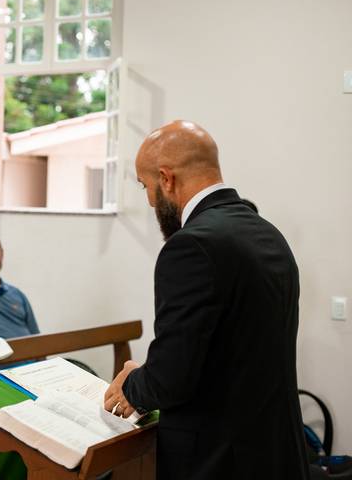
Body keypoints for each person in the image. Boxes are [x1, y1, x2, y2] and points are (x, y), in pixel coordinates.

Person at [104, 121, 309, 479]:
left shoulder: (191, 245)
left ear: (166, 179)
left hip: (220, 461)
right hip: (276, 452)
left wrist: (132, 383)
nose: (149, 200)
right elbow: (230, 354)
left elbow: (170, 380)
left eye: (145, 185)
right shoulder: (267, 233)